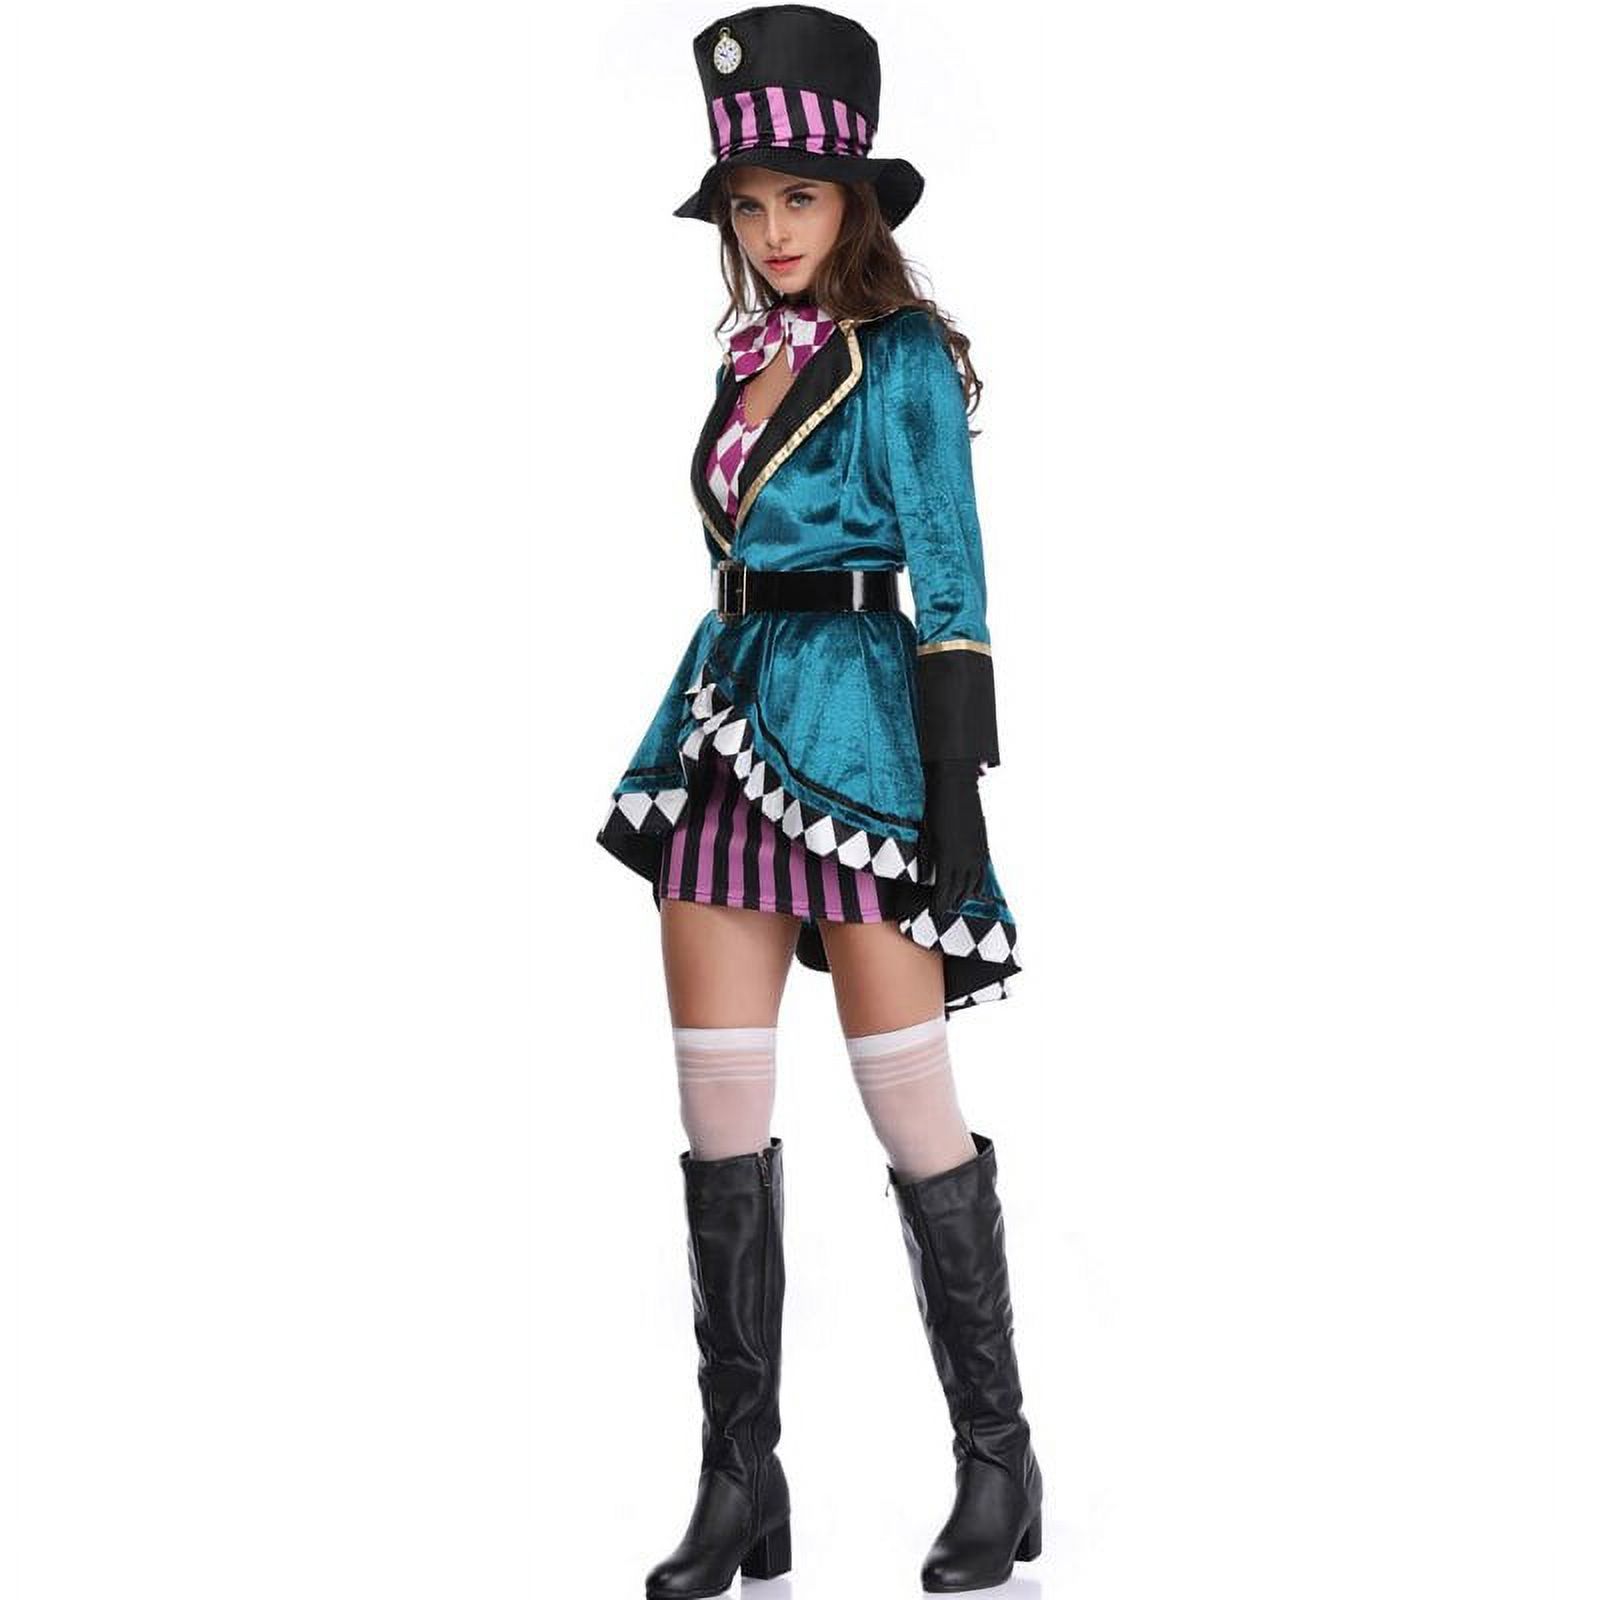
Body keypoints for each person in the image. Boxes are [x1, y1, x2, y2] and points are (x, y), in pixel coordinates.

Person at [594, 7, 1043, 1594]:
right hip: (723, 720)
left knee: (908, 1102)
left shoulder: (900, 352)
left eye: (798, 197)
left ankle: (999, 1459)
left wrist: (956, 793)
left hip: (858, 735)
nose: (771, 230)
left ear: (854, 199)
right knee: (717, 1109)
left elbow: (953, 574)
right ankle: (742, 1479)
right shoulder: (743, 358)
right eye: (748, 203)